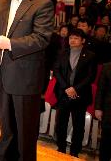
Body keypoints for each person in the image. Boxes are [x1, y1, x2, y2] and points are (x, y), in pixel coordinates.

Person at [0, 0, 54, 161]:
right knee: (6, 125)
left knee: (25, 130)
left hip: (25, 77)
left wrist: (9, 44)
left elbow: (41, 39)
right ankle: (4, 157)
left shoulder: (42, 4)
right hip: (1, 73)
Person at [53, 28, 96, 157]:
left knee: (78, 125)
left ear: (83, 40)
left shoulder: (90, 55)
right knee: (61, 124)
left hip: (80, 95)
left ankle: (74, 152)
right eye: (71, 37)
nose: (72, 40)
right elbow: (56, 70)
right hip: (63, 94)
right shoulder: (62, 52)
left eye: (76, 38)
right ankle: (60, 149)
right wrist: (67, 87)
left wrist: (75, 89)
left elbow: (91, 76)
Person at [95, 62, 111, 161]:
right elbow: (100, 89)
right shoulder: (107, 67)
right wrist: (98, 108)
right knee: (106, 141)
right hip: (108, 111)